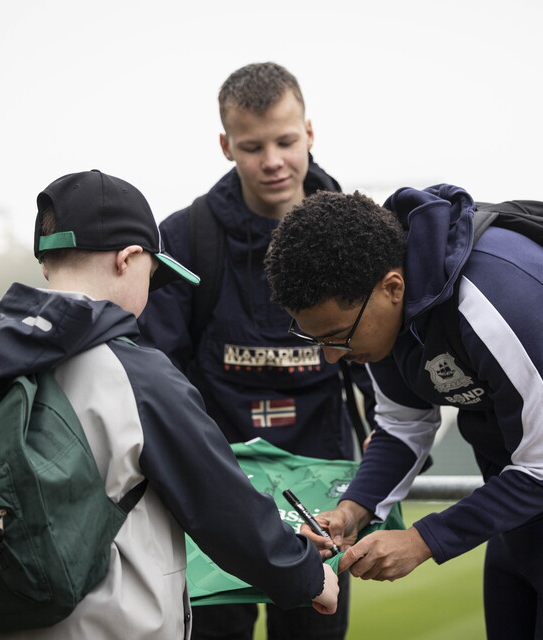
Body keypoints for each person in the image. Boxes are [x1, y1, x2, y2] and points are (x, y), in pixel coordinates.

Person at [263, 187, 543, 640]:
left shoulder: (495, 301)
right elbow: (403, 426)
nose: (329, 357)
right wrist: (353, 510)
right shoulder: (378, 307)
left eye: (338, 336)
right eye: (317, 340)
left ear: (393, 288)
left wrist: (422, 541)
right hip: (516, 491)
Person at [0, 169, 338, 640]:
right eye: (152, 277)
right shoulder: (137, 375)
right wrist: (309, 576)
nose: (149, 297)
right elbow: (224, 508)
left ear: (48, 264)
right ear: (129, 259)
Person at [139, 62, 367, 640]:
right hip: (218, 497)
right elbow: (154, 371)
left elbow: (382, 345)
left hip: (323, 500)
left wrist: (383, 427)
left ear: (309, 134)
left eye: (286, 141)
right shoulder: (186, 238)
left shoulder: (362, 230)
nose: (273, 161)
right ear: (225, 145)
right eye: (252, 146)